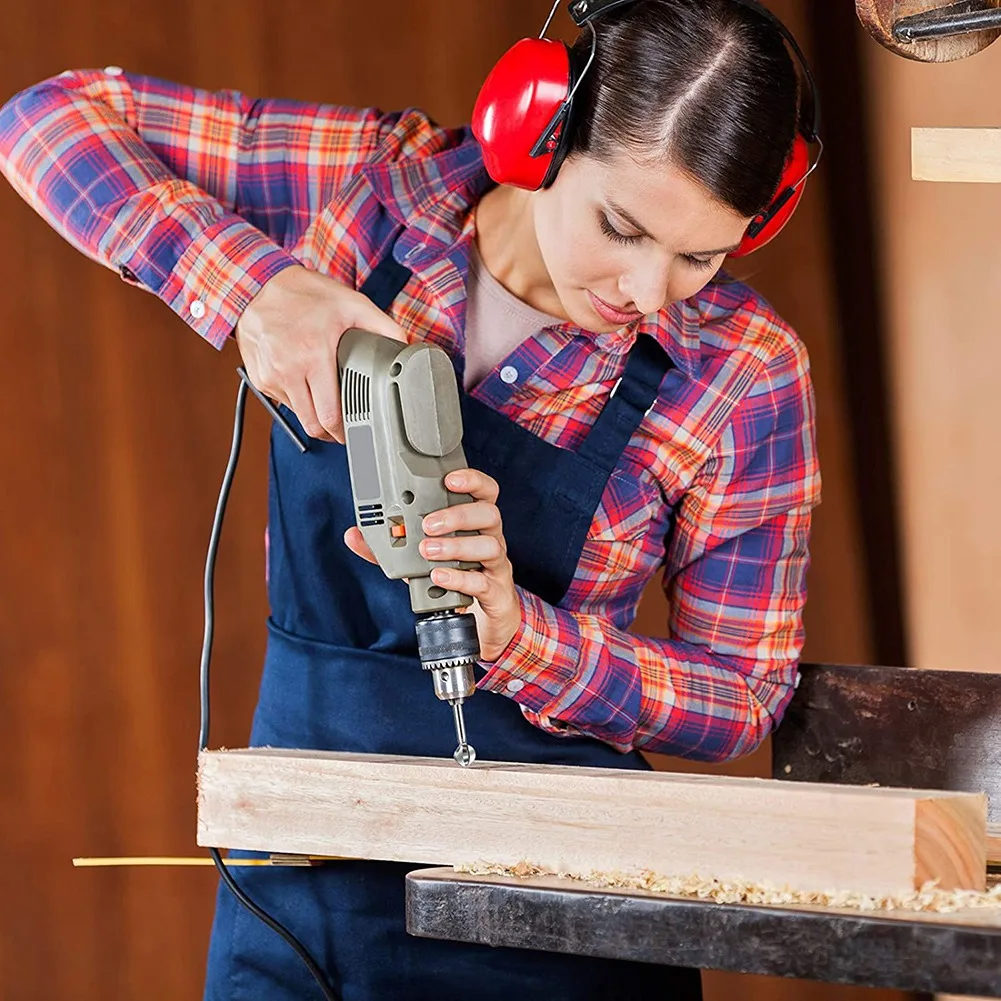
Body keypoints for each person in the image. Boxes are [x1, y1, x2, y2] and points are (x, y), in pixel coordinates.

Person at [0, 0, 822, 997]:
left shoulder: (744, 372)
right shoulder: (374, 193)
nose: (650, 289)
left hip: (554, 911)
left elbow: (740, 691)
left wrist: (522, 634)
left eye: (700, 256)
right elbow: (46, 120)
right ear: (539, 130)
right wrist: (257, 292)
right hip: (301, 867)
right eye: (621, 227)